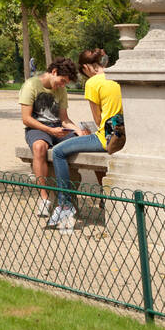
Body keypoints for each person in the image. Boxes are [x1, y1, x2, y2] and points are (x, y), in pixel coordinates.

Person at [47, 48, 124, 230]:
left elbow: (98, 121)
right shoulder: (118, 75)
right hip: (124, 134)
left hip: (108, 138)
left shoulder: (93, 83)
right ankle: (103, 201)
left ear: (85, 67)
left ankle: (65, 205)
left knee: (58, 152)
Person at [19, 57, 80, 218]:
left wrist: (78, 131)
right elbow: (26, 119)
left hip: (58, 129)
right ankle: (45, 198)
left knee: (84, 143)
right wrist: (49, 131)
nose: (62, 85)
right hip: (37, 128)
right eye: (61, 81)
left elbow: (65, 119)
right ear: (54, 72)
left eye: (65, 83)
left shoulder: (62, 90)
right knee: (39, 147)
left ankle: (99, 196)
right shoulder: (31, 85)